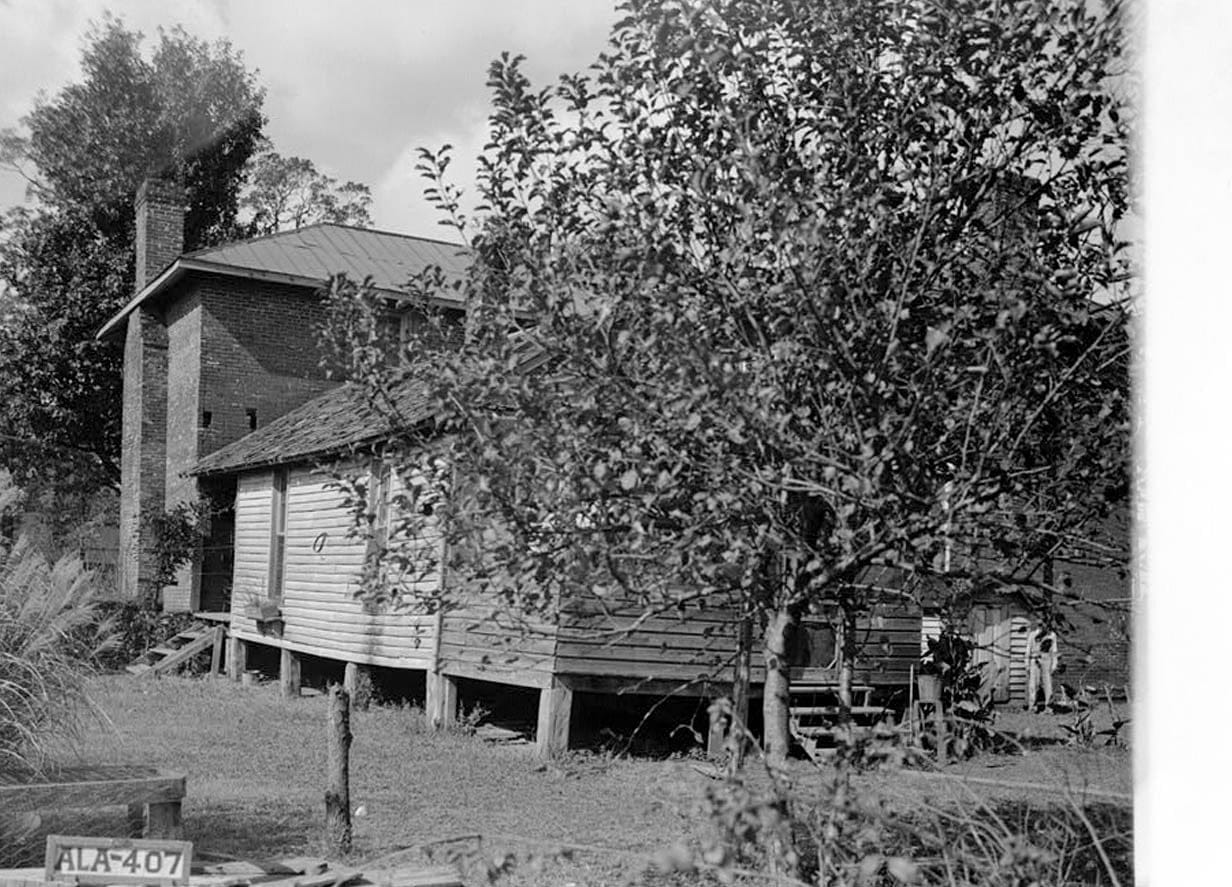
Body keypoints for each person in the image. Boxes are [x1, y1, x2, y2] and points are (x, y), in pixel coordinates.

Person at [1024, 618, 1060, 711]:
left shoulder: (1051, 635)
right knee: (1033, 683)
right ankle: (1032, 705)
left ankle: (1049, 706)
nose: (1041, 626)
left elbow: (1054, 651)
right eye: (1040, 625)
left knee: (1047, 683)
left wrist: (1054, 664)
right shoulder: (1032, 635)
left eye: (1043, 624)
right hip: (1034, 659)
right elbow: (1028, 649)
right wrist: (1027, 664)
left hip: (1046, 658)